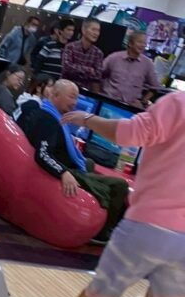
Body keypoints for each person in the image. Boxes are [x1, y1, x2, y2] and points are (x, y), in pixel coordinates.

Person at [38, 91, 185, 297]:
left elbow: (130, 133)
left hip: (147, 226)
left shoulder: (177, 104)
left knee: (101, 293)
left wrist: (87, 119)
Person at [22, 79, 128, 242]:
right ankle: (102, 233)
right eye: (71, 97)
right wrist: (63, 173)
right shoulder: (48, 120)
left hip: (67, 166)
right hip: (65, 170)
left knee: (89, 163)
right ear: (55, 95)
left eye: (77, 98)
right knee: (120, 185)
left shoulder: (52, 115)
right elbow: (42, 154)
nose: (75, 102)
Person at [101, 32, 158, 107]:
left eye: (144, 43)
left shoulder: (148, 63)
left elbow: (155, 87)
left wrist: (143, 101)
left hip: (130, 106)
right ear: (130, 43)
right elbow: (98, 74)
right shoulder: (114, 57)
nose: (143, 45)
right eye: (140, 42)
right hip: (108, 102)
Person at [62, 18, 103, 90]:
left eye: (98, 31)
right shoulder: (70, 47)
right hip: (66, 87)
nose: (96, 33)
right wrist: (89, 70)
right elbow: (67, 67)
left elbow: (97, 76)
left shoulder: (98, 53)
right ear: (83, 30)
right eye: (93, 29)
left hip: (85, 91)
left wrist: (76, 69)